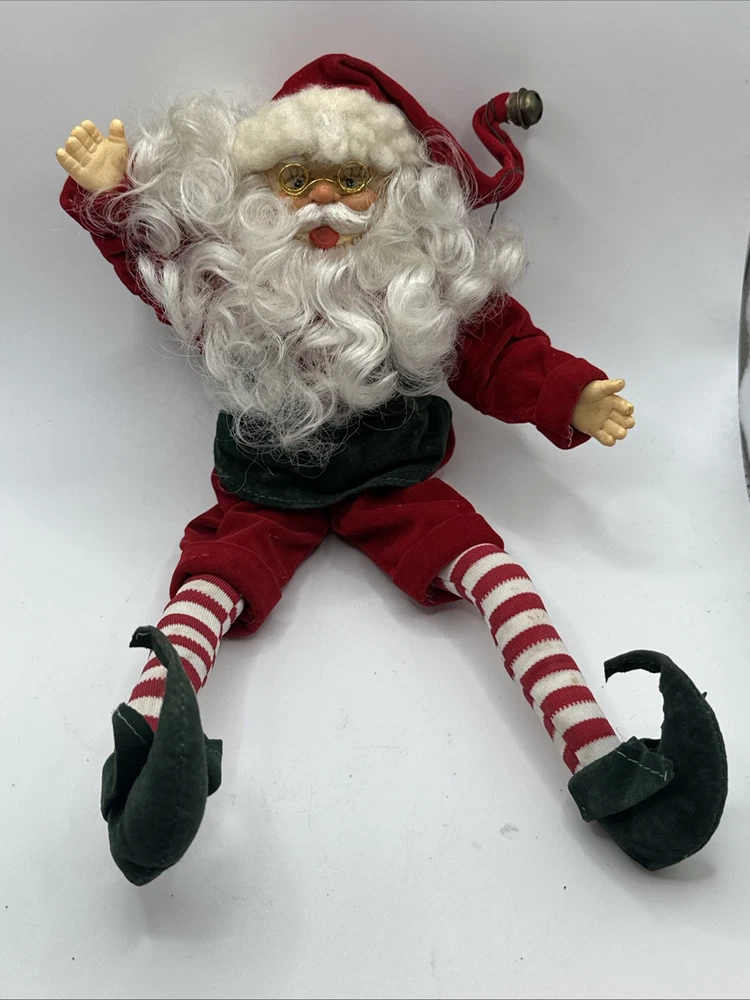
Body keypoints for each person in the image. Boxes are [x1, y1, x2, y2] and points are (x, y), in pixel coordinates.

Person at [57, 54, 726, 886]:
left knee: (495, 572)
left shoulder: (419, 282)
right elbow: (160, 264)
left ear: (397, 194)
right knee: (210, 582)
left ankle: (604, 757)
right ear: (257, 194)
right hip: (268, 485)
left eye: (352, 181)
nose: (324, 201)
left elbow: (497, 350)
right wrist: (114, 196)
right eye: (296, 181)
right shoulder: (232, 280)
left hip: (395, 480)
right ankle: (146, 760)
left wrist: (571, 395)